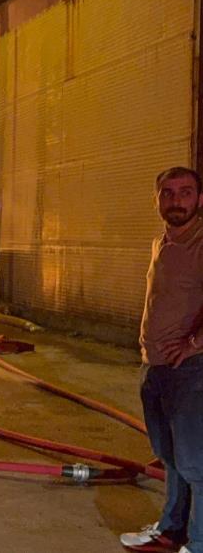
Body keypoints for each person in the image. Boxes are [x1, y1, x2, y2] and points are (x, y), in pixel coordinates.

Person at [121, 167, 203, 553]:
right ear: (156, 200)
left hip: (191, 371)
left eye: (186, 193)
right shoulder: (163, 243)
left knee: (195, 464)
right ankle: (172, 530)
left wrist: (194, 342)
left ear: (199, 200)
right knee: (170, 456)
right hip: (154, 367)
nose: (176, 200)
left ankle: (199, 542)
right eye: (168, 193)